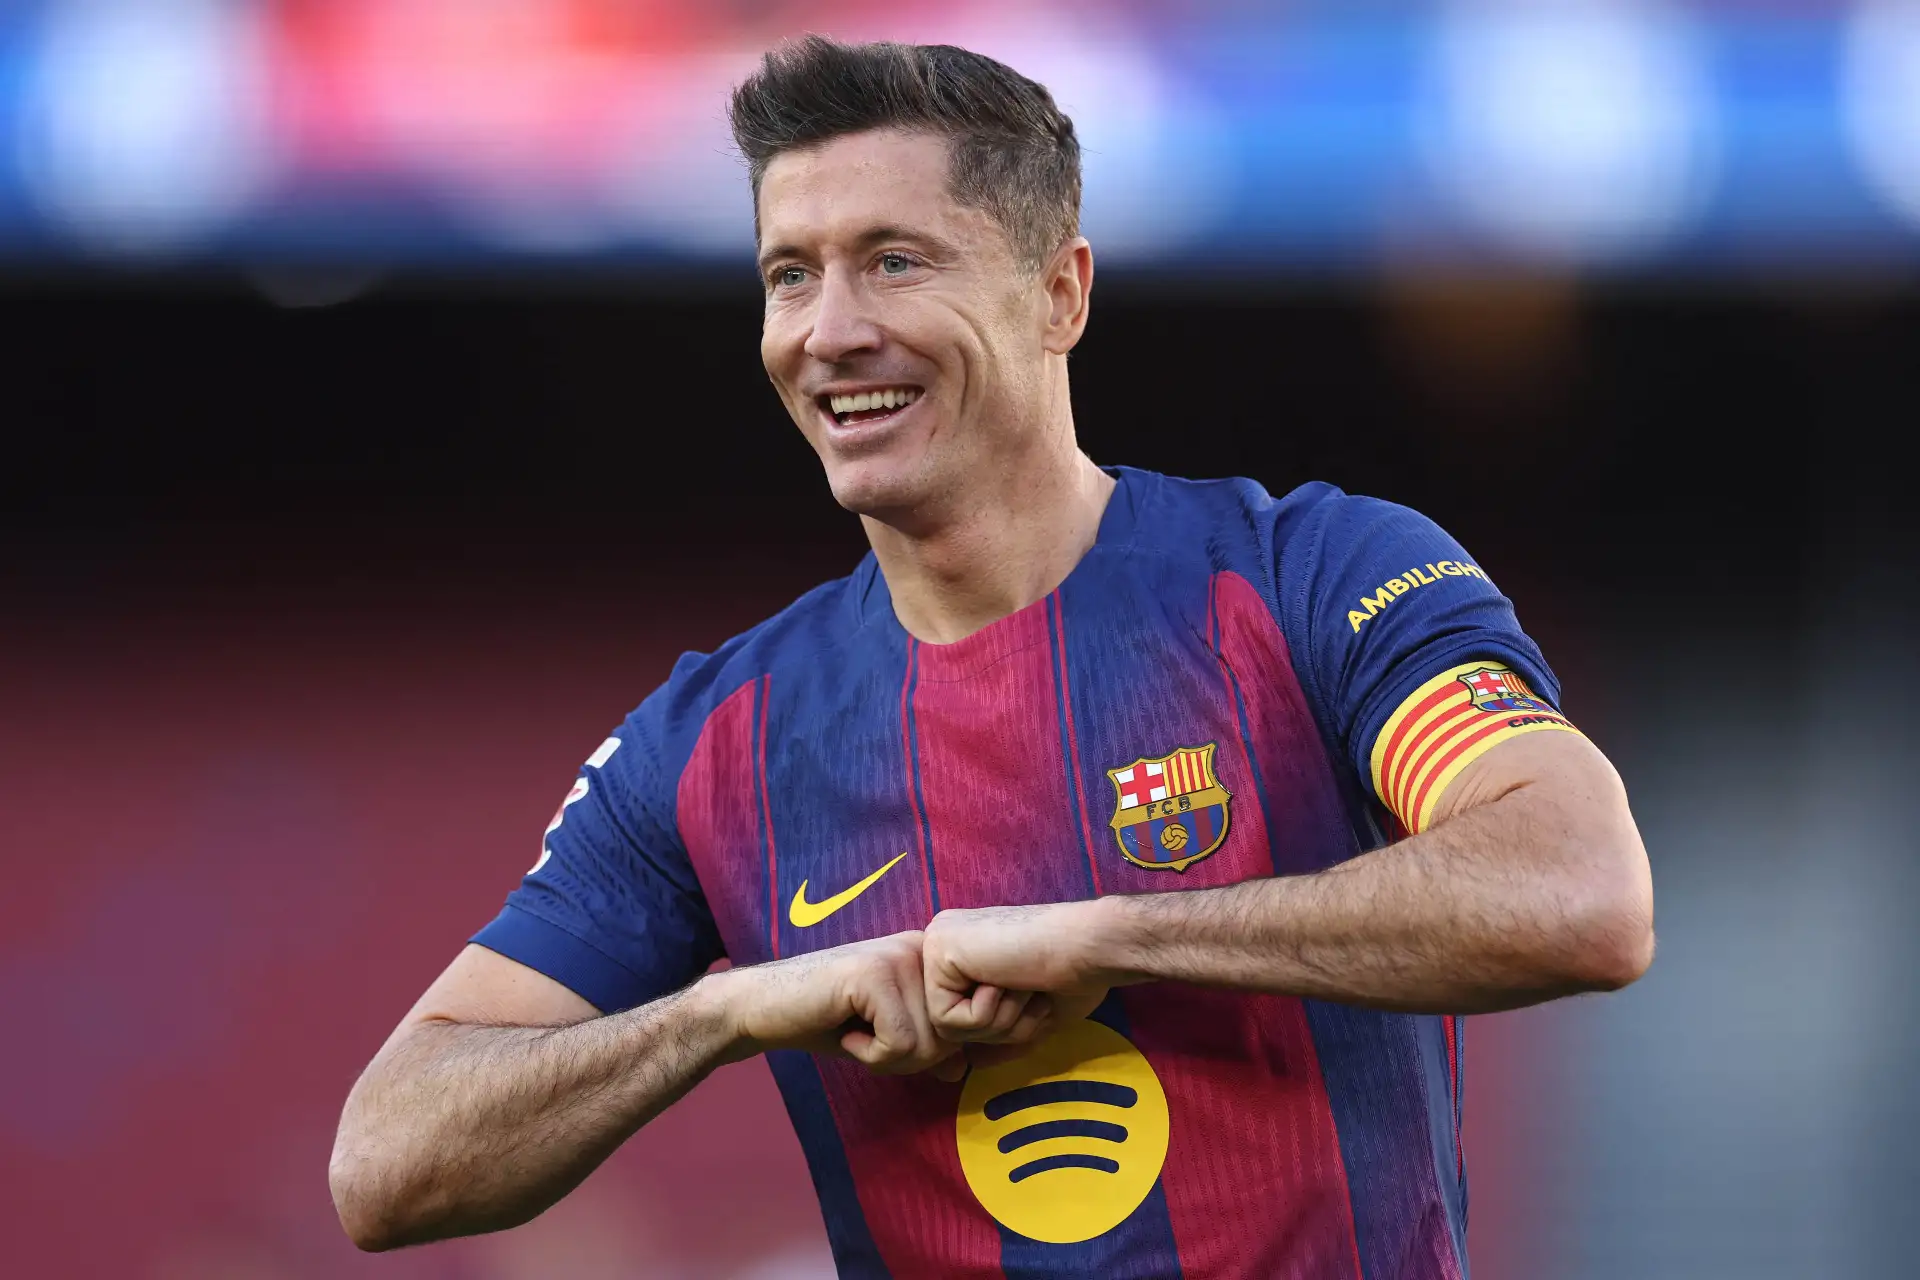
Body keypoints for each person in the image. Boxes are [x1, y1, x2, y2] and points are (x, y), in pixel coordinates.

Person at [328, 35, 1653, 1279]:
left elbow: (1578, 891)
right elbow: (385, 1162)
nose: (829, 330)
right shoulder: (713, 744)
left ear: (1058, 293)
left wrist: (1111, 937)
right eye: (791, 273)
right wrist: (722, 1014)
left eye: (896, 260)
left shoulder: (1310, 577)